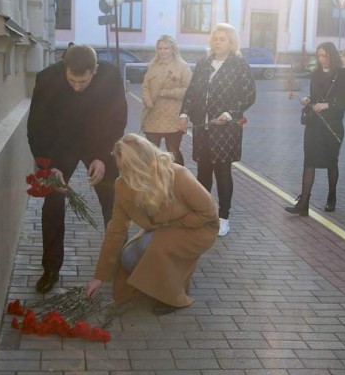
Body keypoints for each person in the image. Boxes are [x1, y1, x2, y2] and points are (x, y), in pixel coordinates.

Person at [27, 44, 127, 293]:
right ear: (64, 68)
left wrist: (103, 156)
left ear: (95, 70)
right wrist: (47, 166)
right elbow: (36, 127)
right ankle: (51, 268)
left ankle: (122, 264)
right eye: (72, 80)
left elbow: (118, 118)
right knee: (52, 204)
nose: (77, 87)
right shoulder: (47, 79)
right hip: (60, 147)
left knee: (113, 202)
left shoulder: (111, 76)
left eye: (83, 82)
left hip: (99, 144)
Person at [85, 134, 218, 315]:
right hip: (162, 229)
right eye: (120, 169)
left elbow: (209, 212)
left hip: (199, 228)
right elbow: (115, 231)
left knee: (156, 248)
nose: (122, 175)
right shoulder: (122, 185)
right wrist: (99, 277)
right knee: (128, 255)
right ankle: (166, 277)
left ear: (141, 166)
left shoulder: (178, 175)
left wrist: (174, 225)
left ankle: (174, 296)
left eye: (126, 169)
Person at [179, 23, 256, 237]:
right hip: (203, 127)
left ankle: (223, 218)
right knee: (203, 172)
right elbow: (193, 91)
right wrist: (184, 114)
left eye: (222, 39)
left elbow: (249, 95)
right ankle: (204, 214)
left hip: (225, 129)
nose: (217, 42)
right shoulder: (203, 63)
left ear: (232, 43)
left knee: (223, 173)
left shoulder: (239, 65)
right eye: (215, 38)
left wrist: (230, 114)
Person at [285, 42, 345, 216]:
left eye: (325, 55)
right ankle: (304, 203)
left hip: (332, 125)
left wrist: (328, 105)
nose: (322, 59)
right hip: (314, 124)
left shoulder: (343, 74)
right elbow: (315, 96)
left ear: (332, 55)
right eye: (319, 56)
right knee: (309, 162)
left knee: (331, 162)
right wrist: (308, 99)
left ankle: (332, 197)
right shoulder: (315, 73)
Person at [141, 35, 192, 166]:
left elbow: (189, 90)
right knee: (151, 152)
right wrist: (147, 99)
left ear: (173, 49)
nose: (162, 51)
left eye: (166, 48)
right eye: (160, 48)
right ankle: (154, 179)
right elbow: (145, 86)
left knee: (173, 151)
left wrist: (167, 93)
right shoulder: (153, 65)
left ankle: (179, 177)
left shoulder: (183, 67)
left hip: (173, 117)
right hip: (152, 116)